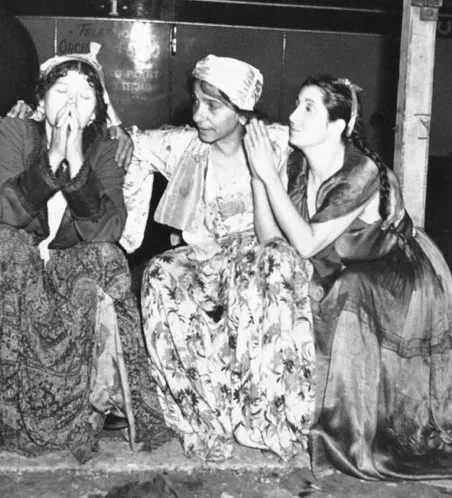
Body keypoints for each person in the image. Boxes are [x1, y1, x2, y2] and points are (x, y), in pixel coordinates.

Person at [0, 45, 170, 478]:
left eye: (85, 96)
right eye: (61, 91)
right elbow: (0, 208)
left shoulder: (107, 147)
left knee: (105, 258)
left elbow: (106, 229)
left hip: (67, 263)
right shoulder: (18, 131)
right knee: (3, 245)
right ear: (41, 100)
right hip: (19, 261)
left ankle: (90, 405)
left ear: (98, 110)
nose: (72, 105)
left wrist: (76, 164)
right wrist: (46, 166)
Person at [244, 74, 452, 480]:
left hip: (399, 275)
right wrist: (259, 177)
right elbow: (273, 239)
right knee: (300, 285)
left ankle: (346, 433)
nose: (292, 115)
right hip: (349, 266)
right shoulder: (298, 167)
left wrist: (268, 177)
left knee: (346, 293)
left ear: (337, 125)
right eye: (296, 104)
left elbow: (305, 244)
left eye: (308, 107)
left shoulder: (359, 172)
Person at [119, 55, 316, 463]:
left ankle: (267, 418)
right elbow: (131, 142)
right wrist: (132, 226)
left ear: (242, 110)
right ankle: (202, 417)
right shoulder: (185, 144)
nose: (198, 115)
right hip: (204, 255)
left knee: (259, 270)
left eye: (213, 106)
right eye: (196, 101)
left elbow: (335, 144)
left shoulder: (275, 141)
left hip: (257, 253)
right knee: (159, 274)